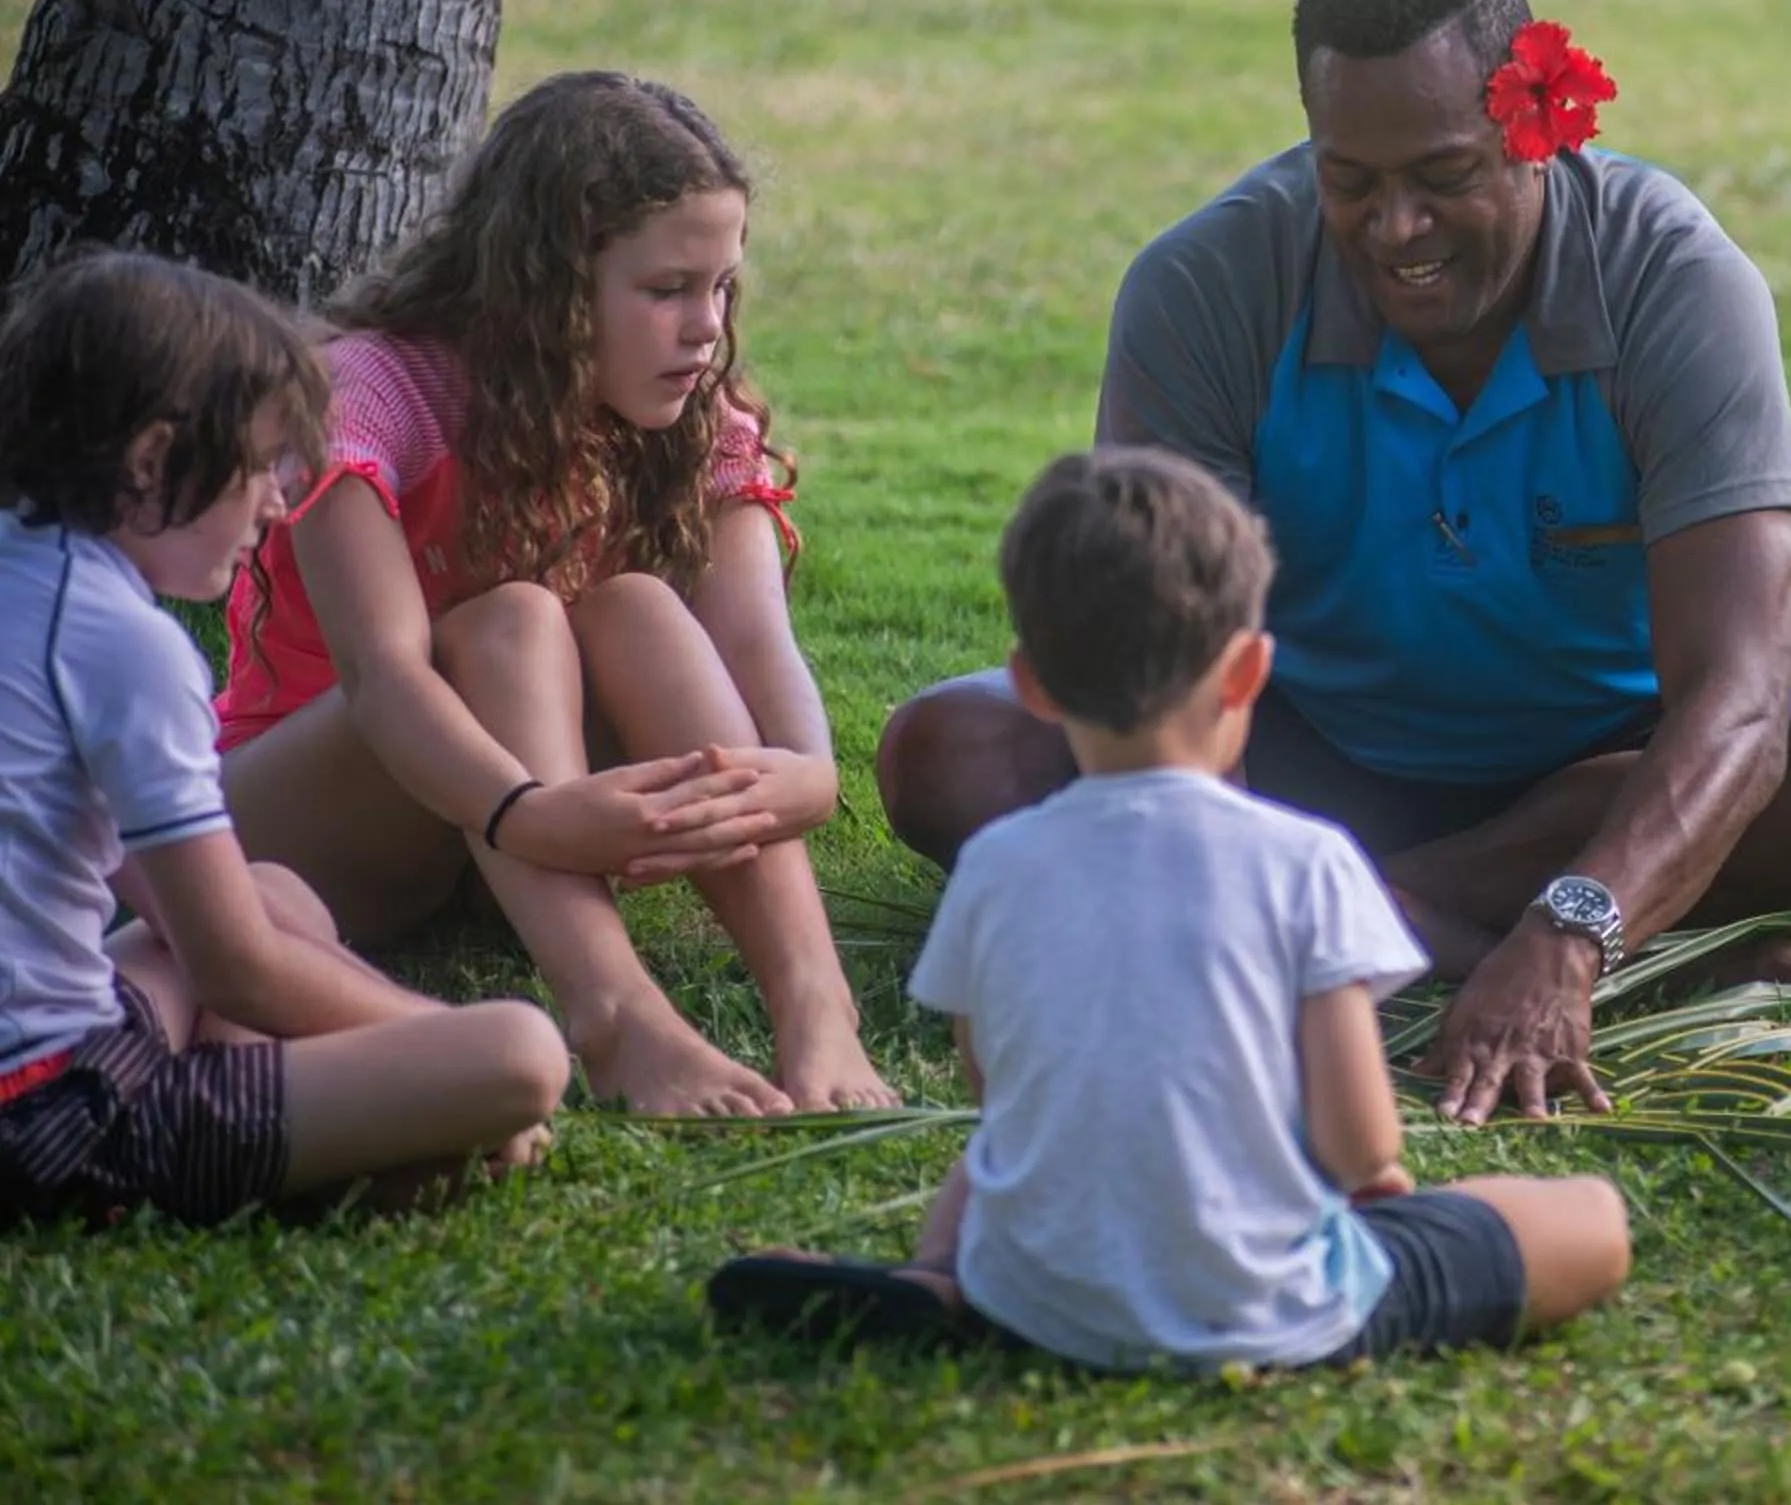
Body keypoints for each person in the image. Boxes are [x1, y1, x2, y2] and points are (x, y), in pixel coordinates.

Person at [878, 0, 1791, 1128]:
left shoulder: (1674, 279)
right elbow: (1157, 662)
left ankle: (1358, 912)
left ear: (1539, 130)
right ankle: (1566, 930)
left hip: (1594, 769)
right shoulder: (1206, 284)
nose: (1395, 228)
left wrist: (1573, 931)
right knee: (950, 754)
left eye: (1442, 178)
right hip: (1295, 761)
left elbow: (1741, 702)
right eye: (1352, 180)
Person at [709, 449, 1631, 1368]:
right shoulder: (1309, 863)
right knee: (1590, 1221)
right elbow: (1358, 1139)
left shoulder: (995, 864)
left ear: (1029, 683)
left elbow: (997, 1090)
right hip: (1275, 1306)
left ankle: (940, 1279)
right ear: (1248, 672)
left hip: (1041, 1297)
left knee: (996, 1157)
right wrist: (1380, 1180)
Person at [217, 73, 893, 1118]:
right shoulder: (369, 392)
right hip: (324, 825)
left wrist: (803, 770)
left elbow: (761, 642)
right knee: (515, 616)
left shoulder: (691, 413)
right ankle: (617, 1014)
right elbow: (384, 674)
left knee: (637, 607)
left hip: (530, 840)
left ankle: (816, 1005)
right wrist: (524, 812)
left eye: (722, 286)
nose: (705, 327)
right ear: (547, 281)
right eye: (667, 289)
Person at [0, 253, 568, 1225]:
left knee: (276, 890)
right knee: (521, 1054)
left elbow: (186, 911)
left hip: (50, 1054)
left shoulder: (33, 577)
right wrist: (438, 1044)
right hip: (53, 1115)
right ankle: (361, 1132)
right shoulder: (122, 645)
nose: (275, 502)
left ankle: (335, 1118)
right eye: (261, 464)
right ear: (149, 460)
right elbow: (234, 967)